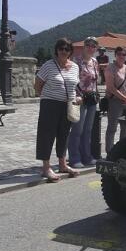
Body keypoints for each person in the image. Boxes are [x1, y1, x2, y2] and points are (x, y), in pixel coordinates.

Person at [34, 38, 81, 182]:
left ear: (70, 52)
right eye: (61, 48)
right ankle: (46, 168)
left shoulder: (75, 67)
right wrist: (48, 97)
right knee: (46, 135)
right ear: (56, 50)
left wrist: (77, 97)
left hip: (68, 105)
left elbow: (74, 86)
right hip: (50, 105)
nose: (63, 51)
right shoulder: (48, 65)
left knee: (64, 135)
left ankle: (62, 164)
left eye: (67, 49)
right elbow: (37, 85)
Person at [67, 36, 100, 168]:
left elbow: (95, 81)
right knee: (77, 129)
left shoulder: (95, 61)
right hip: (80, 98)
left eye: (94, 46)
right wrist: (76, 96)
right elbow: (72, 80)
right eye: (88, 45)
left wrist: (97, 95)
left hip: (92, 99)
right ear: (84, 46)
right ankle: (74, 158)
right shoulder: (76, 61)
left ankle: (87, 156)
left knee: (88, 130)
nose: (91, 48)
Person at [105, 47, 126, 152]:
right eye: (119, 54)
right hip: (115, 101)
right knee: (112, 128)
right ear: (115, 55)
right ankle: (110, 152)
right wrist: (125, 98)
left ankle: (122, 151)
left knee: (125, 128)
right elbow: (111, 87)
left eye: (124, 54)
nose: (121, 56)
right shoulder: (110, 68)